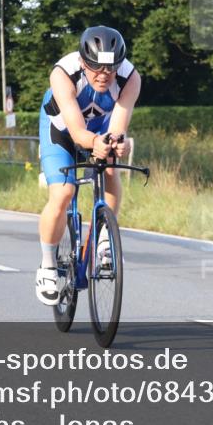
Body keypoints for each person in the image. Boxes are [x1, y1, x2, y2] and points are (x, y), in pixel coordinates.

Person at [36, 26, 141, 305]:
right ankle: (47, 265)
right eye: (96, 67)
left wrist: (118, 143)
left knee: (110, 166)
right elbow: (77, 132)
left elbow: (117, 126)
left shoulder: (130, 78)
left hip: (98, 127)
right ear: (83, 62)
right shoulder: (63, 74)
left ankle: (104, 237)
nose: (104, 74)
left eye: (111, 68)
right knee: (63, 193)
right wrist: (94, 141)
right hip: (61, 130)